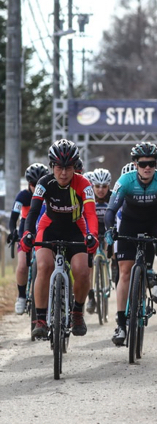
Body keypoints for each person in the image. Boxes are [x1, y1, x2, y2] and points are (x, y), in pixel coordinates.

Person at [104, 142, 157, 346]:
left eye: (152, 163)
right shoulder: (126, 180)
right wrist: (111, 230)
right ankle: (121, 324)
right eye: (143, 164)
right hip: (131, 222)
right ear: (135, 164)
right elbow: (111, 210)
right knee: (125, 272)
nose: (147, 167)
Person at [19, 140, 98, 338]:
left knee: (82, 271)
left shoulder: (84, 184)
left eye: (68, 168)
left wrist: (92, 235)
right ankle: (41, 319)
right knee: (44, 266)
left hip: (75, 228)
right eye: (59, 168)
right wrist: (27, 233)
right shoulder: (44, 183)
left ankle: (77, 313)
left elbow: (90, 214)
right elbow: (33, 212)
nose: (63, 173)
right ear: (52, 166)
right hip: (49, 227)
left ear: (75, 167)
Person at [8, 163, 50, 314]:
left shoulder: (49, 193)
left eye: (39, 183)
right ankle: (21, 296)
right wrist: (13, 232)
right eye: (33, 184)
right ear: (29, 184)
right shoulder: (23, 196)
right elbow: (13, 218)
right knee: (22, 265)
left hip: (43, 227)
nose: (35, 187)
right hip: (26, 227)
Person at [85, 168, 113, 314]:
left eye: (104, 186)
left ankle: (114, 270)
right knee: (88, 262)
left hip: (109, 228)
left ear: (109, 186)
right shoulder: (88, 196)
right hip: (93, 230)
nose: (101, 190)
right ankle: (91, 297)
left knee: (116, 249)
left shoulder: (114, 196)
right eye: (97, 186)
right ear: (92, 186)